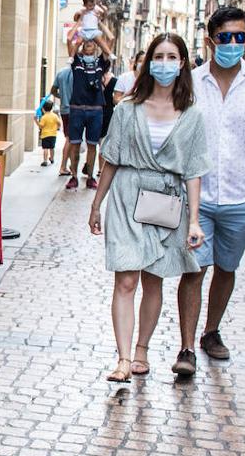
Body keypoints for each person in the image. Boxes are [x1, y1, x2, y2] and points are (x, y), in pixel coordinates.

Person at [89, 33, 208, 381]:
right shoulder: (127, 109)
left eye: (173, 57)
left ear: (183, 63)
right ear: (147, 62)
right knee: (125, 279)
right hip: (127, 194)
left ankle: (142, 349)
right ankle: (123, 359)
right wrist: (97, 204)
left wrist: (195, 222)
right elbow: (110, 158)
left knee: (153, 281)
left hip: (167, 199)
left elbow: (195, 170)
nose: (165, 63)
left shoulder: (192, 115)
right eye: (159, 56)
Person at [174, 6, 245, 376]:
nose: (233, 44)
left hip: (242, 198)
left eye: (240, 37)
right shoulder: (189, 82)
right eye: (226, 37)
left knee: (227, 267)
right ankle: (186, 347)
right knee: (194, 269)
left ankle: (211, 332)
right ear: (210, 40)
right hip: (197, 199)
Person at [65, 39, 111, 191]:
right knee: (75, 144)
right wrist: (83, 36)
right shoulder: (77, 61)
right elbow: (69, 41)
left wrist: (96, 35)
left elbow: (109, 40)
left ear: (96, 45)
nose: (89, 43)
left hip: (95, 109)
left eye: (92, 42)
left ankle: (90, 177)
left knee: (92, 145)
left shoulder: (100, 63)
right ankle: (74, 176)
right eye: (87, 42)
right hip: (77, 108)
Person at [50, 61, 75, 176]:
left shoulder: (61, 73)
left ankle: (69, 165)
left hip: (64, 109)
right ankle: (63, 166)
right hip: (74, 109)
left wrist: (62, 96)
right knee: (70, 139)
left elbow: (53, 91)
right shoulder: (77, 73)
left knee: (69, 138)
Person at [36, 100, 61, 166]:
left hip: (45, 135)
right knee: (52, 148)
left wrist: (36, 121)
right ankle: (52, 159)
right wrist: (57, 127)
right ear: (51, 108)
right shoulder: (55, 116)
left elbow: (41, 126)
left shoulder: (44, 117)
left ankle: (45, 161)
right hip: (53, 134)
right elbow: (59, 123)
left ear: (43, 109)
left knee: (45, 148)